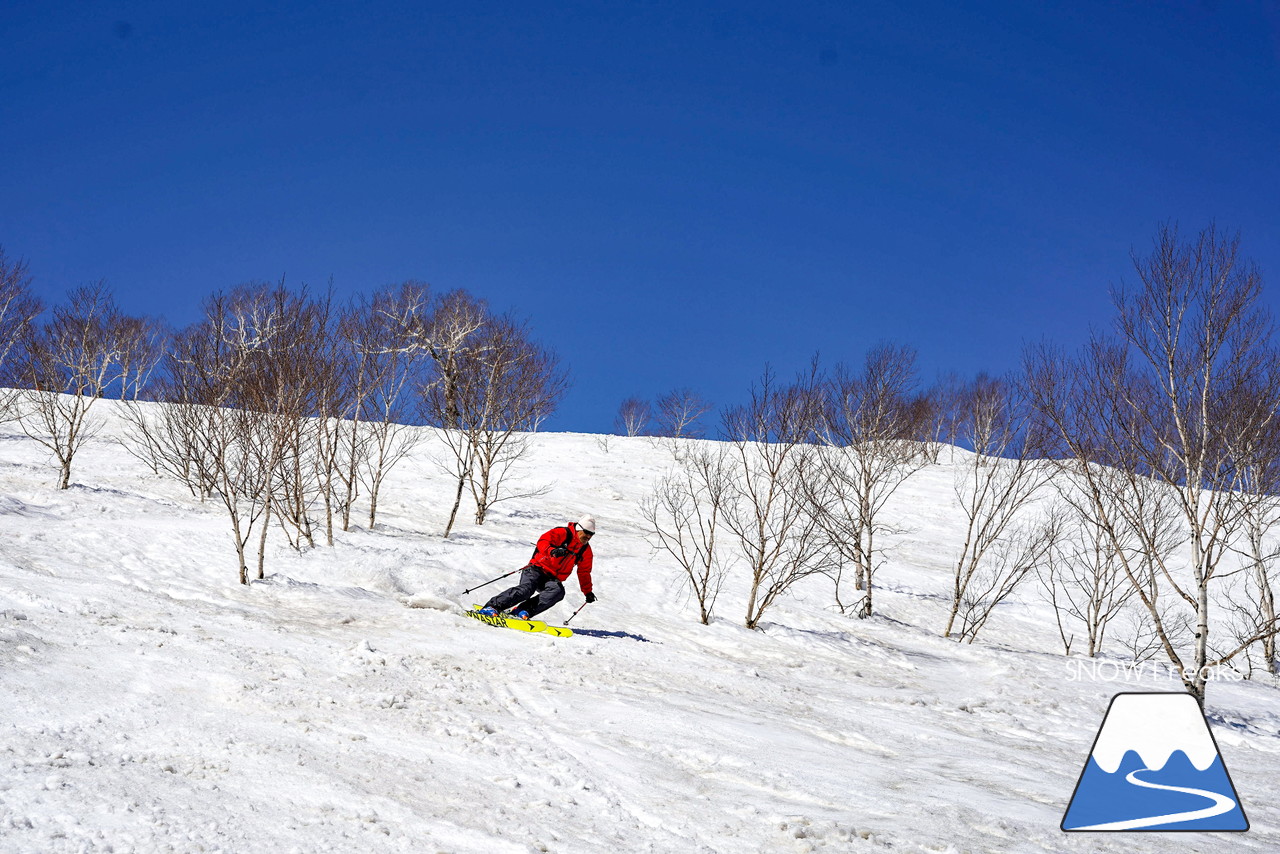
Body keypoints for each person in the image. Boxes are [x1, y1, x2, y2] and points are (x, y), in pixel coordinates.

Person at [479, 516, 598, 620]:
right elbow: (543, 541)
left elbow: (584, 572)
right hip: (536, 569)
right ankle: (492, 606)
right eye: (586, 532)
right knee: (526, 590)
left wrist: (587, 592)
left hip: (551, 578)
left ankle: (521, 611)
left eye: (591, 534)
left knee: (557, 592)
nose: (588, 536)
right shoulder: (563, 533)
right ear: (578, 528)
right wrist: (552, 551)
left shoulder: (585, 550)